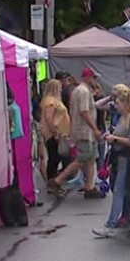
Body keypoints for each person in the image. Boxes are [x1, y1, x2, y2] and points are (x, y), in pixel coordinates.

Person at [92, 85, 130, 237]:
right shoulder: (126, 116)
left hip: (128, 158)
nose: (115, 106)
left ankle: (110, 226)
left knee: (119, 191)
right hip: (121, 157)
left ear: (125, 103)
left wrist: (115, 138)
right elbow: (98, 105)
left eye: (118, 103)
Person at [49, 68, 105, 198]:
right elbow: (84, 111)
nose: (95, 81)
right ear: (87, 77)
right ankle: (57, 181)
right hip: (85, 131)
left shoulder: (76, 90)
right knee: (82, 159)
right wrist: (95, 128)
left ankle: (89, 187)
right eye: (93, 78)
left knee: (90, 159)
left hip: (81, 130)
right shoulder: (84, 91)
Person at [39, 79, 71, 184]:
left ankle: (53, 180)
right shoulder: (50, 101)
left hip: (60, 133)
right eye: (59, 87)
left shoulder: (53, 100)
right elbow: (49, 117)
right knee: (54, 157)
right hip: (54, 133)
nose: (61, 90)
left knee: (56, 157)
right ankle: (51, 181)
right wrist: (54, 132)